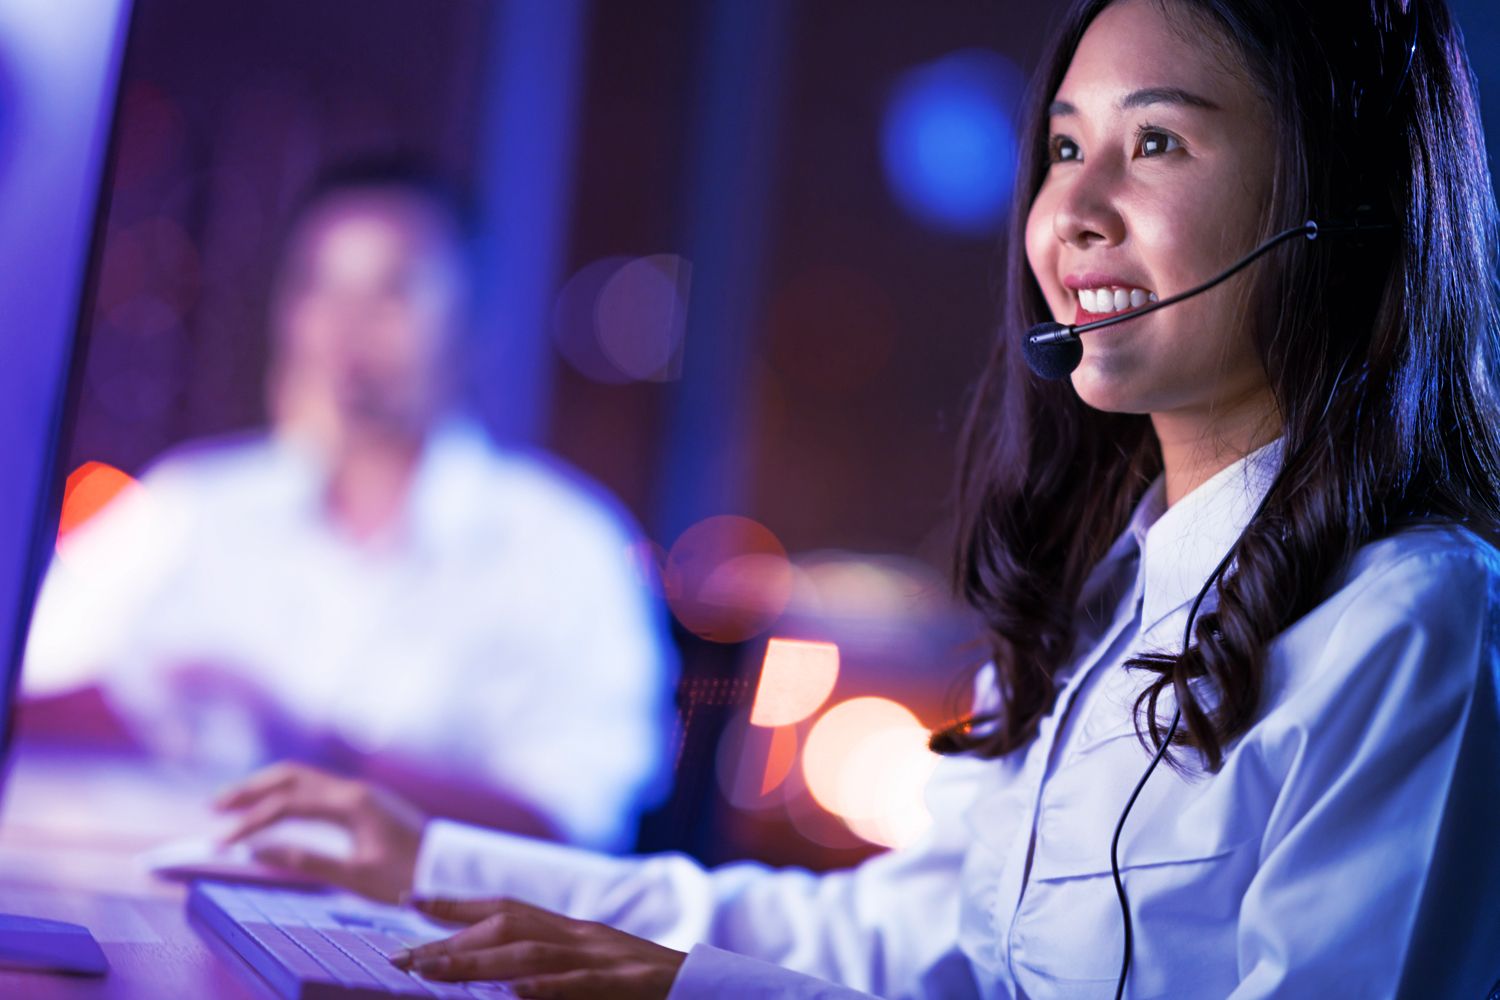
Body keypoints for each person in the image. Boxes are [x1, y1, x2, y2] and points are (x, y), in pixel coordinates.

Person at [213, 0, 1500, 996]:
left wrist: (703, 991)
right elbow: (898, 941)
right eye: (1063, 148)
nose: (1074, 213)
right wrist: (427, 863)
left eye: (1155, 141)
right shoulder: (1106, 593)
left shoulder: (1417, 622)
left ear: (1340, 200)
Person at [23, 160, 676, 853]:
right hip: (159, 893)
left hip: (410, 946)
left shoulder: (566, 544)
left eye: (392, 292)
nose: (344, 331)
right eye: (317, 286)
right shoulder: (195, 501)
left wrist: (316, 755)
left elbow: (574, 829)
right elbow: (32, 686)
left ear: (478, 325)